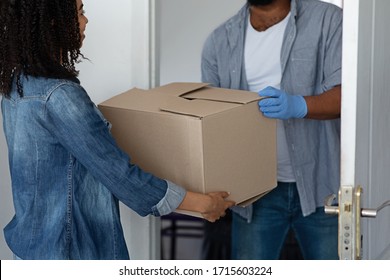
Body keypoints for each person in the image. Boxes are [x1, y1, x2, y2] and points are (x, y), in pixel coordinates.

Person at [0, 0, 235, 260]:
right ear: (53, 23)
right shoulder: (61, 97)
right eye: (79, 12)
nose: (85, 21)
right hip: (67, 255)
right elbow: (121, 176)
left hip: (30, 250)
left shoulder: (18, 85)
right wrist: (204, 204)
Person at [201, 0, 342, 260]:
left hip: (322, 186)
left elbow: (349, 96)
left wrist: (300, 105)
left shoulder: (328, 20)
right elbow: (209, 124)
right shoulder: (219, 41)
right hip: (255, 194)